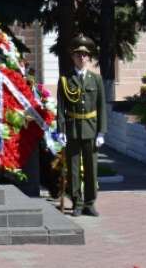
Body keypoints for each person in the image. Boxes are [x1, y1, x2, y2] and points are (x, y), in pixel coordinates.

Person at [56, 38, 106, 217]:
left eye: (84, 54)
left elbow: (101, 107)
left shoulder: (96, 79)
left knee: (92, 169)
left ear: (89, 58)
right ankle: (77, 202)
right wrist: (60, 130)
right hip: (72, 129)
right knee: (74, 168)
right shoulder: (65, 80)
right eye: (78, 54)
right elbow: (61, 108)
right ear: (73, 57)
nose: (81, 57)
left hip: (91, 130)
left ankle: (89, 203)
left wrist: (102, 131)